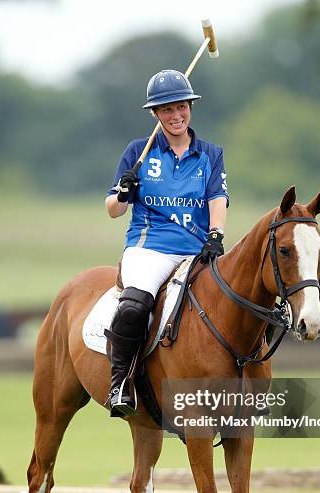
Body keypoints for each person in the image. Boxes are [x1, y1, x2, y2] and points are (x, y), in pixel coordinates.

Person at [105, 69, 229, 417]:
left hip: (195, 251)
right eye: (167, 110)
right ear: (155, 115)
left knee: (241, 299)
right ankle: (121, 383)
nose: (176, 116)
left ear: (190, 107)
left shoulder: (210, 153)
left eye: (181, 107)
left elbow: (217, 198)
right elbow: (113, 210)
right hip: (150, 249)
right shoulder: (137, 153)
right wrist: (125, 192)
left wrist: (216, 235)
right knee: (133, 306)